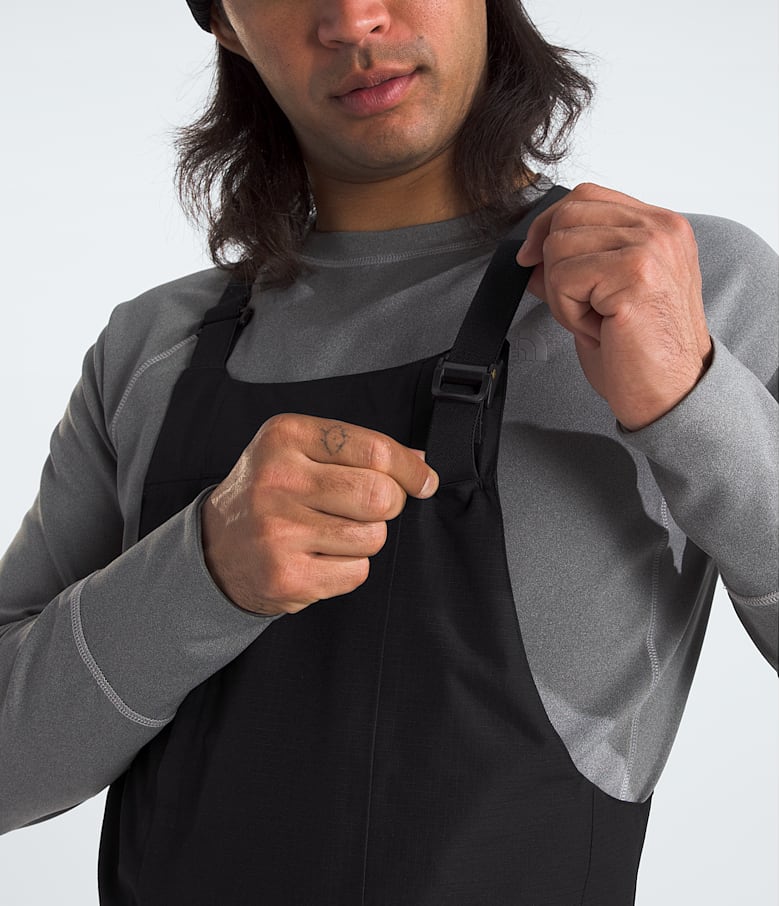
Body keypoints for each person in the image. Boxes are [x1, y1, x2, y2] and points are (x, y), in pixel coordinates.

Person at [0, 0, 776, 903]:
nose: (353, 19)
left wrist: (692, 397)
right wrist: (200, 571)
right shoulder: (148, 348)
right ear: (226, 24)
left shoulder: (681, 287)